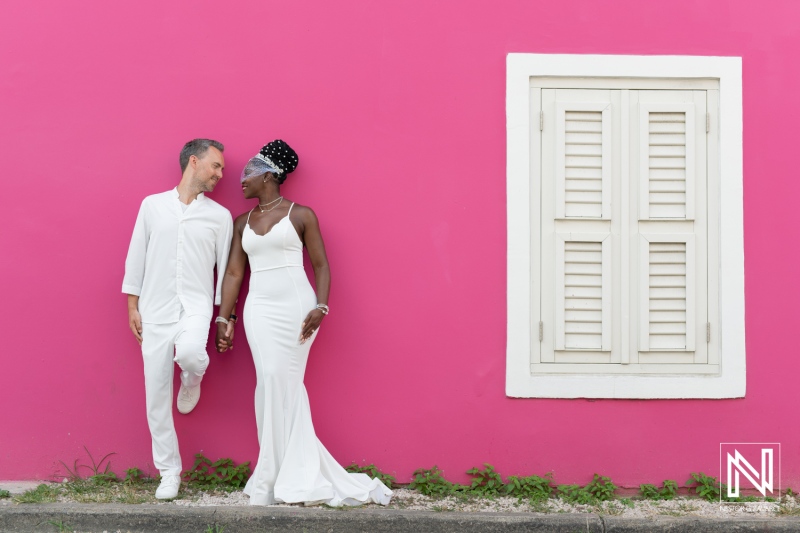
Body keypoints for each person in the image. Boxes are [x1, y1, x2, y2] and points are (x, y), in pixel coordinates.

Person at [215, 140, 392, 506]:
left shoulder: (302, 214)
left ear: (268, 175)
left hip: (297, 307)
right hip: (259, 309)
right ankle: (275, 472)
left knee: (284, 381)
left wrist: (322, 306)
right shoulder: (240, 222)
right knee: (269, 382)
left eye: (248, 173)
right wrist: (224, 317)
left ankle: (284, 474)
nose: (240, 179)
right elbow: (234, 272)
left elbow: (322, 265)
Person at [122, 139, 234, 499]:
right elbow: (136, 254)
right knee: (155, 393)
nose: (220, 174)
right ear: (193, 162)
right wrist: (132, 306)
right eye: (215, 166)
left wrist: (222, 315)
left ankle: (192, 378)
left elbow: (227, 271)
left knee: (189, 353)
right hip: (154, 309)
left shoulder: (219, 217)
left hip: (197, 306)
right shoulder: (152, 206)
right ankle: (169, 472)